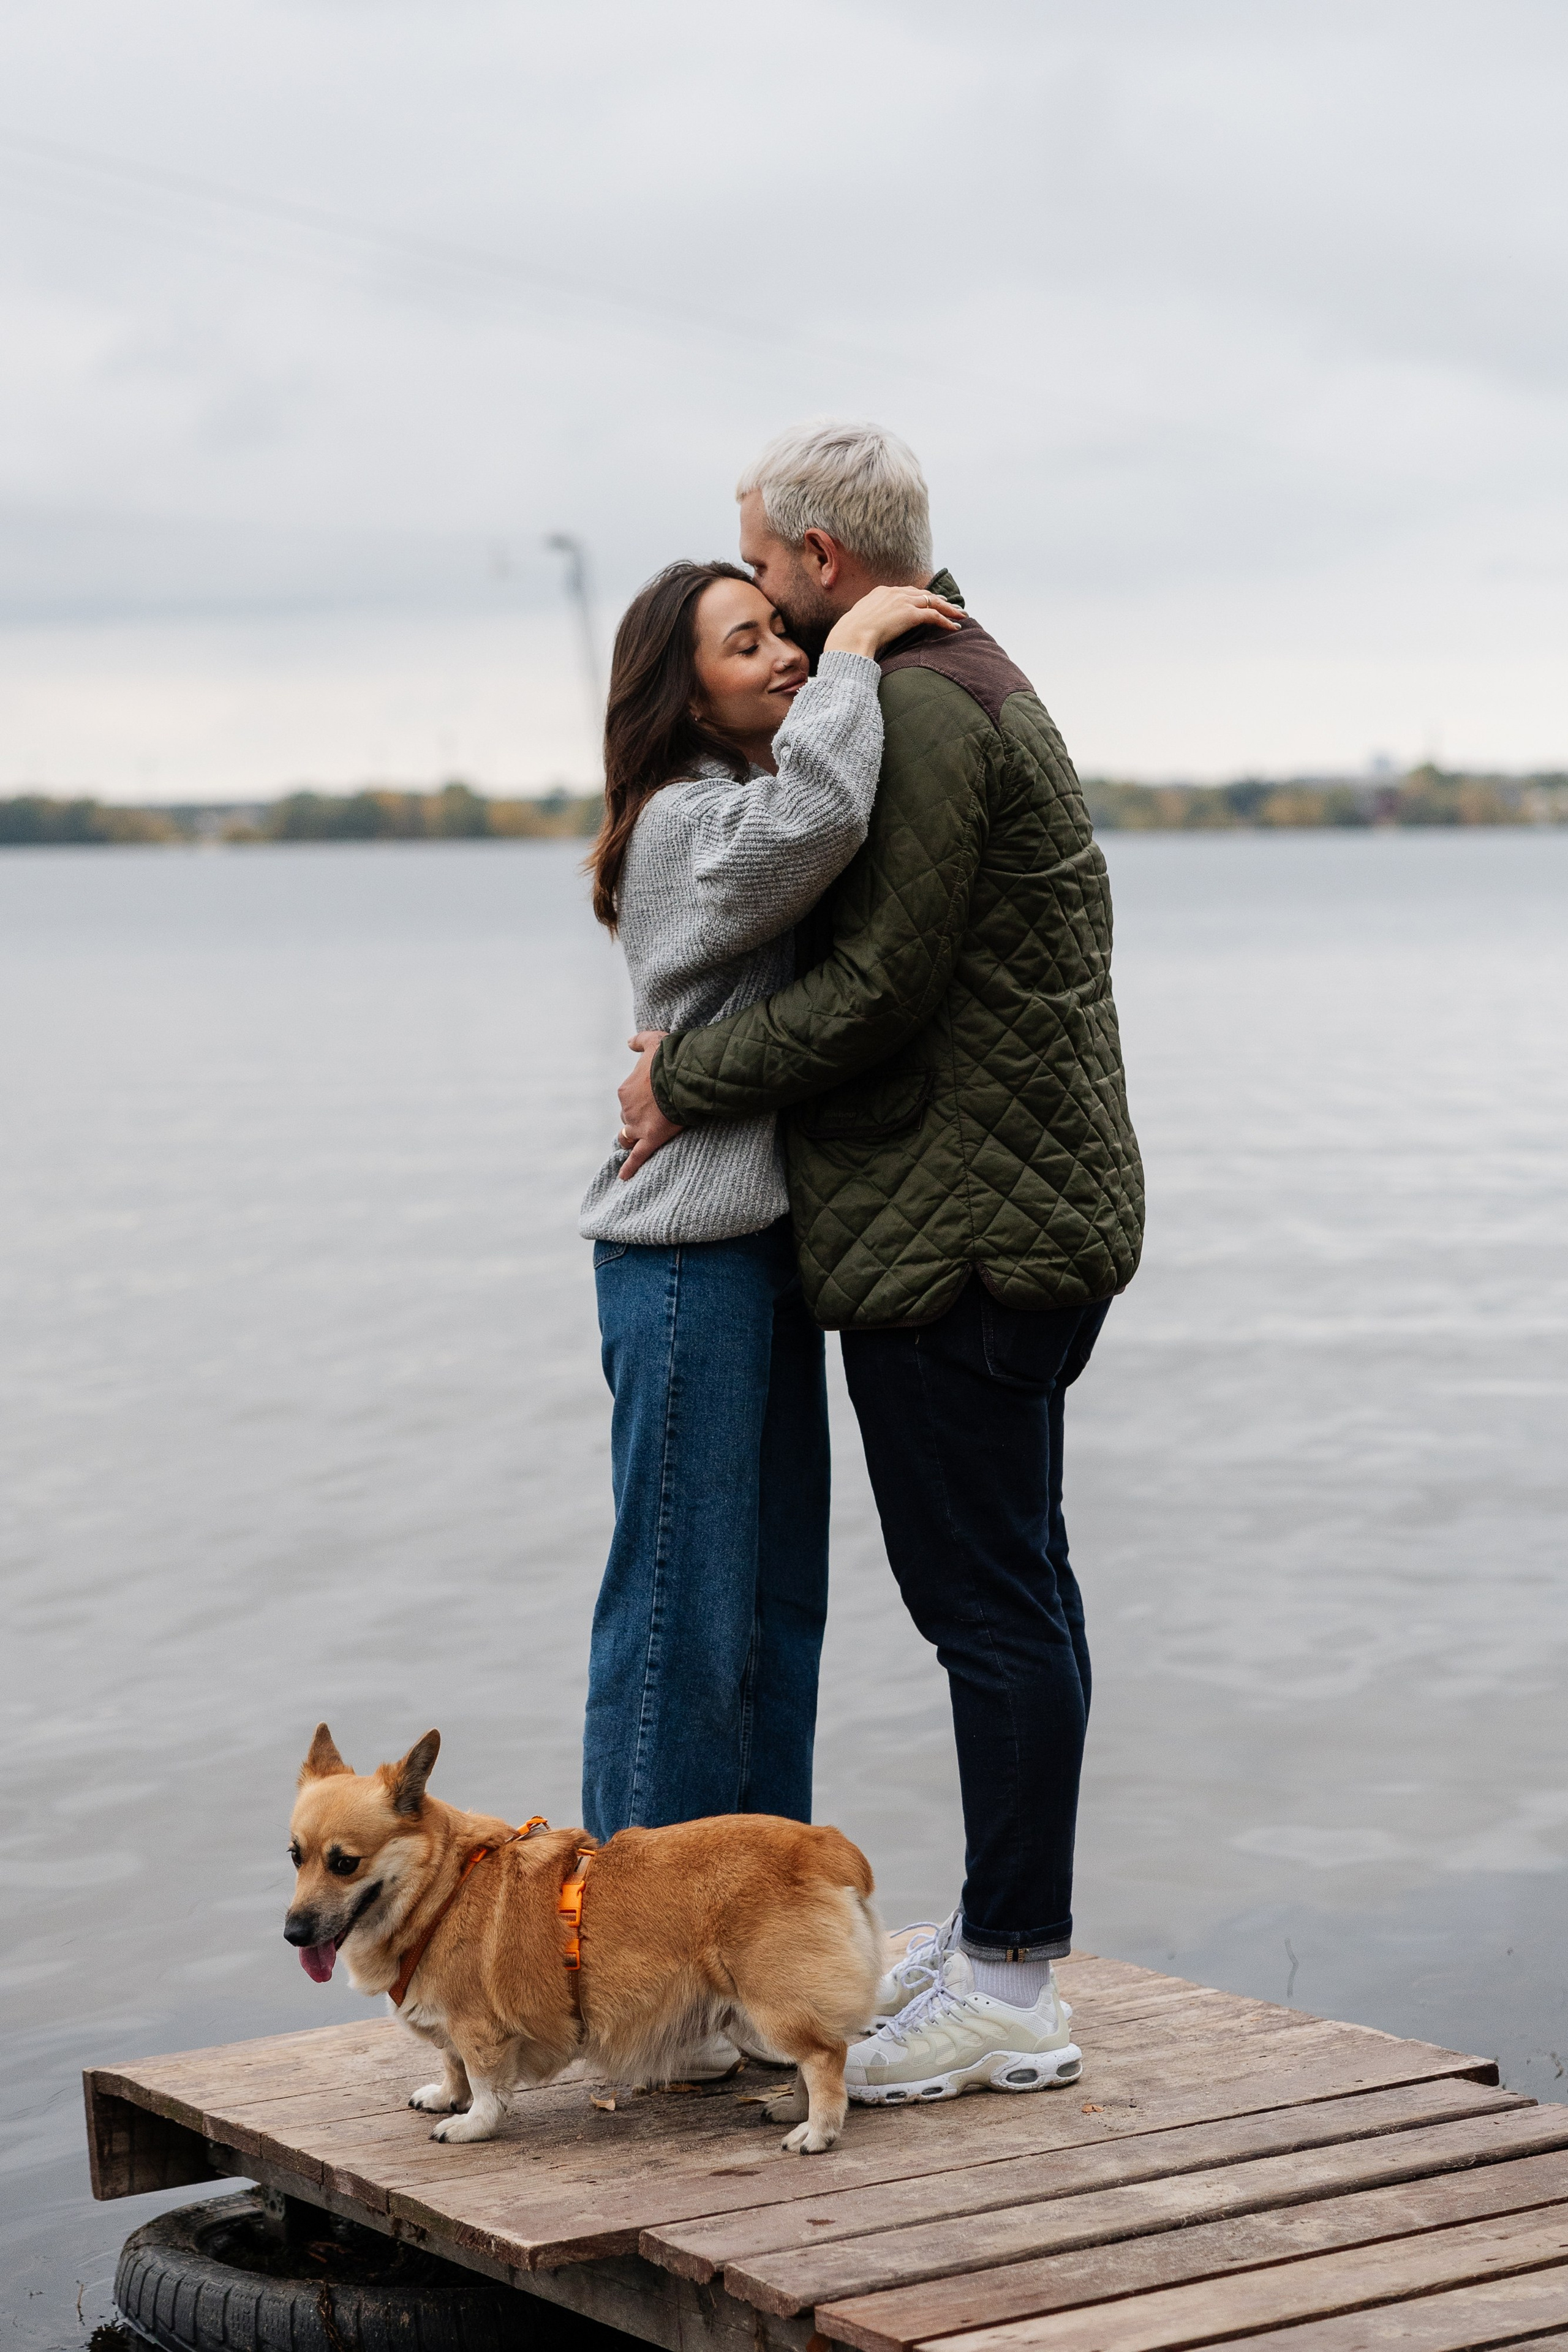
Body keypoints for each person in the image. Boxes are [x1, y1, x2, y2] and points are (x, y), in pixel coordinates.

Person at [615, 421, 1146, 2107]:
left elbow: (879, 993)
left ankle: (1005, 1979)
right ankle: (1002, 1938)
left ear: (825, 564)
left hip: (964, 1239)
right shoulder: (964, 675)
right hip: (1004, 1217)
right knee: (1020, 1591)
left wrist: (674, 1082)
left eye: (766, 575)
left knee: (987, 1606)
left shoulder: (912, 708)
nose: (765, 605)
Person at [578, 557, 962, 1864]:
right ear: (685, 701)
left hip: (755, 1256)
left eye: (781, 635)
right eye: (750, 649)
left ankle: (737, 1924)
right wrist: (853, 644)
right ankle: (625, 1935)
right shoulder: (688, 819)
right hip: (685, 1259)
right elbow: (821, 820)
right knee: (682, 1611)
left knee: (768, 1609)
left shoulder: (723, 800)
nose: (784, 657)